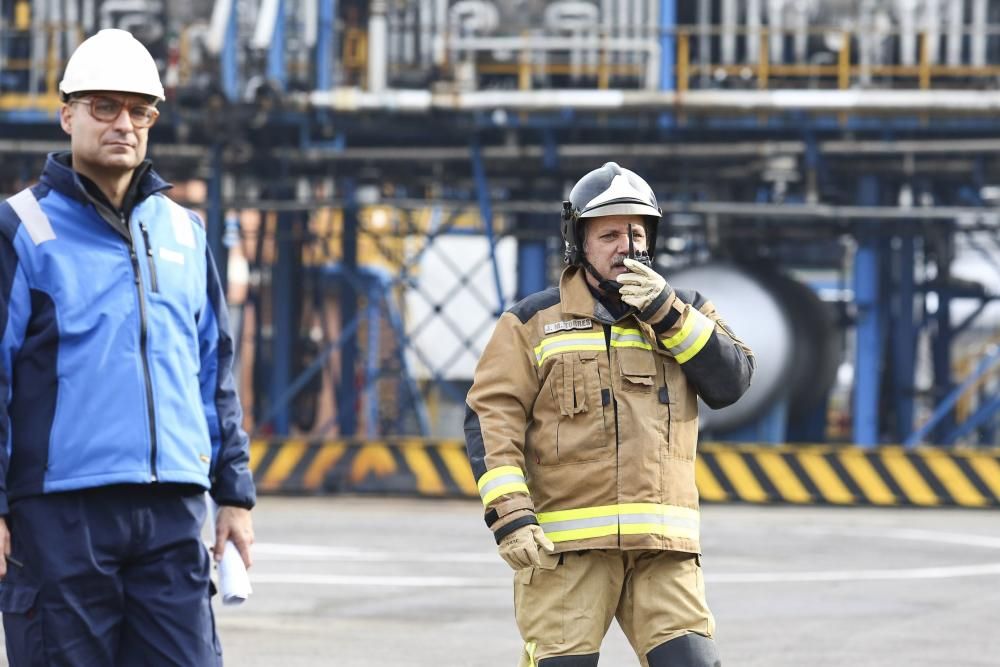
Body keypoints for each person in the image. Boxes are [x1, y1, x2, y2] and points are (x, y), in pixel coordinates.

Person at [0, 29, 255, 665]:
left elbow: (212, 370)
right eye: (104, 106)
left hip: (171, 514)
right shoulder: (21, 229)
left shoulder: (183, 232)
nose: (125, 124)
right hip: (59, 518)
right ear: (67, 115)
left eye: (140, 110)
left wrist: (233, 495)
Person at [464, 162, 754, 667]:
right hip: (565, 552)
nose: (627, 245)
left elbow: (732, 381)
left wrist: (666, 312)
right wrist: (510, 517)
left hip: (663, 552)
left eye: (637, 232)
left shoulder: (688, 312)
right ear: (579, 242)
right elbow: (492, 417)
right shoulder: (532, 323)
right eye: (610, 234)